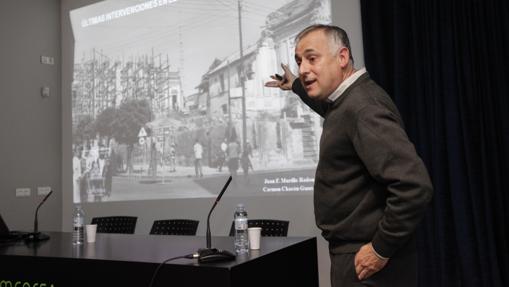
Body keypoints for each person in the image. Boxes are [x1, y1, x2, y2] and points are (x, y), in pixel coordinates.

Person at [265, 24, 433, 287]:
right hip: (357, 256)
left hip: (368, 264)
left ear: (342, 57)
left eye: (312, 58)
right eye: (299, 62)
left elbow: (414, 186)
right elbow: (335, 112)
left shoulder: (362, 108)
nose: (304, 69)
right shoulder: (348, 103)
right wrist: (296, 86)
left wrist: (380, 249)